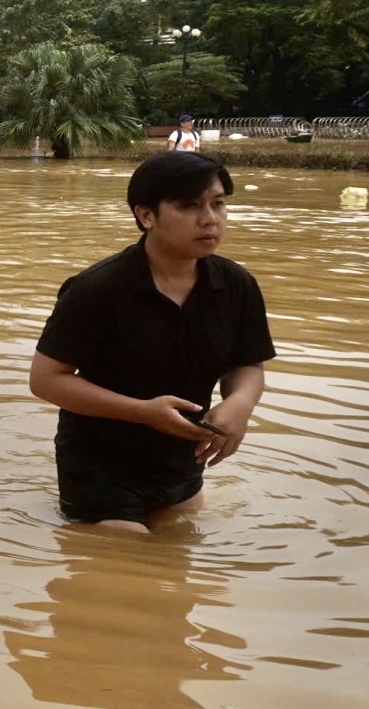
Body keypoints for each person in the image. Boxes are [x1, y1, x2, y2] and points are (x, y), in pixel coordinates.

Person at [28, 151, 273, 534]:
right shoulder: (98, 289)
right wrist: (143, 411)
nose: (210, 219)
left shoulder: (236, 286)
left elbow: (247, 365)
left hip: (180, 460)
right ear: (146, 216)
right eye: (190, 206)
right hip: (100, 460)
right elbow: (45, 379)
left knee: (179, 557)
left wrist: (240, 404)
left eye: (218, 204)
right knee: (124, 548)